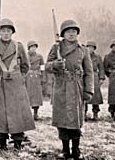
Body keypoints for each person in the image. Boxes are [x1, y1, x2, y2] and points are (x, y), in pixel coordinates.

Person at [0, 18, 35, 151]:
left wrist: (18, 78)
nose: (5, 33)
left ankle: (18, 143)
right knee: (0, 118)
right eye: (3, 30)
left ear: (12, 32)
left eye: (8, 31)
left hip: (15, 86)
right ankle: (2, 145)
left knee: (18, 116)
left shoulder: (18, 46)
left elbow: (25, 66)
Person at [46, 20, 94, 160]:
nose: (71, 34)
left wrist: (88, 90)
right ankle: (65, 149)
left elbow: (89, 72)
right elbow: (47, 66)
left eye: (74, 31)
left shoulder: (83, 50)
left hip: (76, 87)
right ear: (63, 34)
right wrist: (56, 64)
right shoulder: (56, 48)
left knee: (75, 120)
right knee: (62, 120)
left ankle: (76, 149)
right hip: (61, 86)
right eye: (68, 31)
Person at [84, 41, 105, 121]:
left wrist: (101, 78)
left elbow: (101, 68)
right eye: (88, 47)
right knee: (85, 95)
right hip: (86, 76)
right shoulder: (84, 56)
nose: (90, 49)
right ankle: (84, 113)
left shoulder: (98, 57)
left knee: (96, 97)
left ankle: (95, 113)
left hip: (95, 77)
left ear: (94, 49)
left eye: (92, 47)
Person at [25, 40, 44, 120]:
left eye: (34, 47)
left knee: (37, 97)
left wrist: (42, 77)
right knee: (27, 96)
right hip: (27, 78)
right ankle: (27, 114)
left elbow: (42, 67)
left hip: (36, 78)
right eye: (31, 47)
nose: (33, 49)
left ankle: (36, 114)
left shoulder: (39, 56)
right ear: (28, 48)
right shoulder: (25, 57)